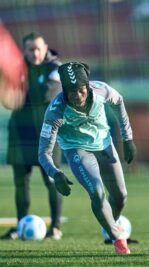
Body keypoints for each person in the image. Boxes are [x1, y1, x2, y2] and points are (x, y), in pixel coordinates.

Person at [38, 62, 136, 254]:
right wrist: (55, 174)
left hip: (104, 145)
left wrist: (128, 139)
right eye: (72, 91)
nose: (77, 96)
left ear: (88, 86)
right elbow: (43, 153)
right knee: (97, 193)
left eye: (81, 90)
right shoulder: (55, 111)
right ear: (64, 91)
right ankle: (118, 240)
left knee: (120, 196)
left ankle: (108, 225)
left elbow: (119, 102)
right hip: (77, 150)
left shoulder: (102, 91)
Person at [1, 32, 63, 240]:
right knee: (21, 182)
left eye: (38, 48)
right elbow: (7, 98)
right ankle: (20, 226)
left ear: (45, 47)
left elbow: (46, 94)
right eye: (30, 49)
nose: (34, 53)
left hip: (47, 134)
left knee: (52, 180)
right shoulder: (16, 68)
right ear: (24, 50)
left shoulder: (56, 69)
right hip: (20, 132)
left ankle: (55, 228)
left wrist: (17, 93)